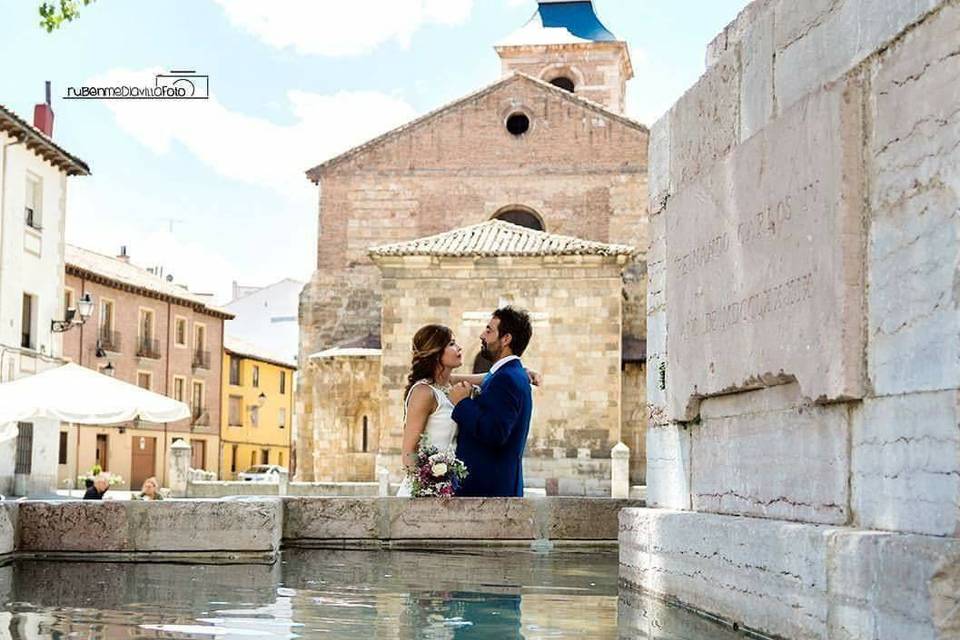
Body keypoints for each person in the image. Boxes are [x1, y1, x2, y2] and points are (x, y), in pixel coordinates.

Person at [449, 307, 533, 497]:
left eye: (489, 330)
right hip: (493, 489)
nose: (482, 335)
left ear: (506, 339)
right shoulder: (509, 374)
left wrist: (462, 403)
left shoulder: (506, 379)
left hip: (490, 491)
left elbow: (495, 433)